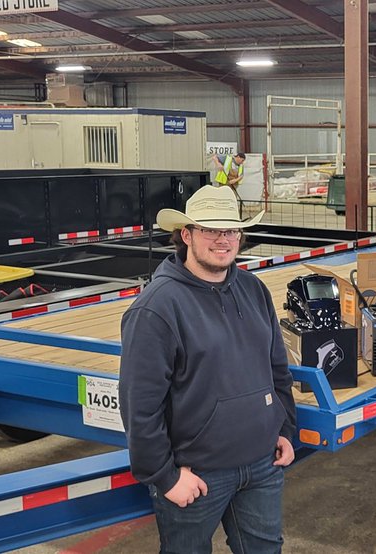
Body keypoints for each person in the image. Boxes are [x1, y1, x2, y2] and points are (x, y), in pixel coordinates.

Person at [119, 185, 296, 554]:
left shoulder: (254, 289)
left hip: (262, 464)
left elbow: (278, 368)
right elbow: (139, 405)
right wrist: (165, 478)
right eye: (211, 230)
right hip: (197, 475)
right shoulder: (157, 307)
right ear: (186, 235)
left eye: (231, 230)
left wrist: (284, 428)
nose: (223, 240)